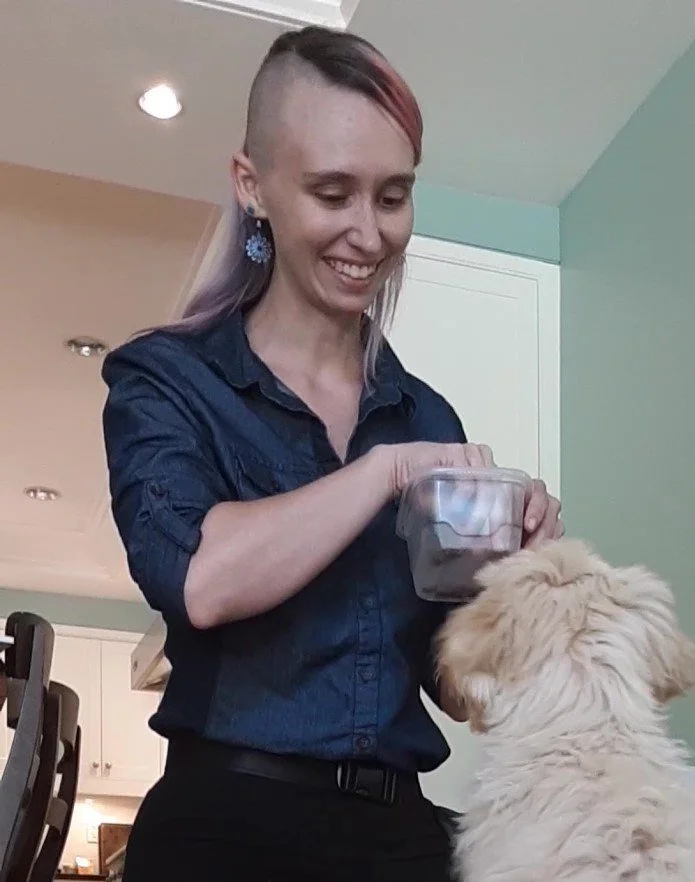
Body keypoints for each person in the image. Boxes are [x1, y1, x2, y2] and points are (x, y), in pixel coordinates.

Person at [102, 25, 564, 882]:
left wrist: (520, 581)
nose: (369, 232)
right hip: (220, 832)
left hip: (399, 840)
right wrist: (382, 473)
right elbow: (202, 578)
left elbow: (461, 692)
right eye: (332, 192)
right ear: (254, 186)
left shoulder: (424, 414)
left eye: (393, 197)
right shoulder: (166, 380)